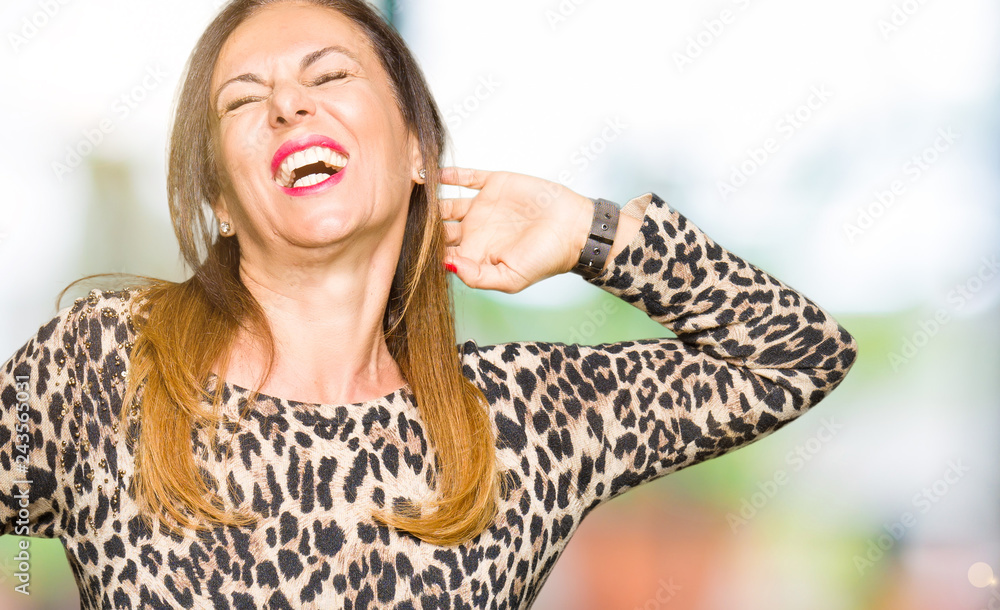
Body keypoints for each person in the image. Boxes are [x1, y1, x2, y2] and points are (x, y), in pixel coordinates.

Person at [0, 0, 858, 607]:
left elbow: (798, 355)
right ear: (220, 198)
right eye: (244, 100)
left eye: (329, 75)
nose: (288, 103)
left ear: (416, 148)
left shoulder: (522, 421)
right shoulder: (102, 363)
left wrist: (590, 234)